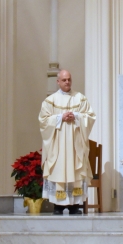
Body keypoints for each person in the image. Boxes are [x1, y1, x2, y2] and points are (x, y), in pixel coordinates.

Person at [39, 70, 96, 215]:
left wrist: (76, 116)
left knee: (75, 170)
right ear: (58, 82)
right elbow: (43, 121)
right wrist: (60, 118)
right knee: (59, 171)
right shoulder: (50, 100)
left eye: (69, 79)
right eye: (64, 80)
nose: (67, 82)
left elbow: (90, 117)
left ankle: (74, 205)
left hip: (74, 145)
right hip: (58, 146)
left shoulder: (80, 98)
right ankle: (58, 206)